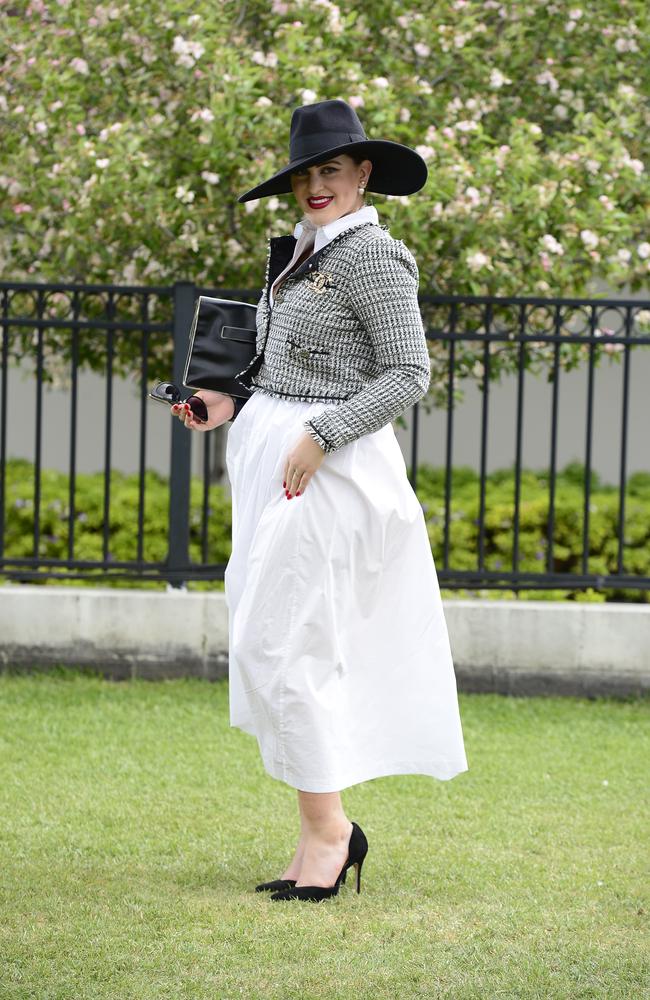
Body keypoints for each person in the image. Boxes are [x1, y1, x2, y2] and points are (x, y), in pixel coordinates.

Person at [171, 99, 468, 902]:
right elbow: (280, 368)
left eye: (329, 171)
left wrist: (323, 435)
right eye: (305, 175)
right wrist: (225, 405)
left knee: (286, 646)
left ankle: (332, 834)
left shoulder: (372, 256)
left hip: (328, 473)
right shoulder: (300, 254)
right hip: (278, 463)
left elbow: (408, 372)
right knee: (272, 646)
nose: (314, 187)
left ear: (362, 174)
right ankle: (320, 832)